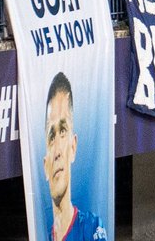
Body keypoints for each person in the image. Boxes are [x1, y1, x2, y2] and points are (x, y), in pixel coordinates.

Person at [42, 72, 106, 241]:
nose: (57, 151)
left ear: (73, 146)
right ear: (45, 165)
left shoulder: (92, 226)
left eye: (63, 131)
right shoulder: (42, 235)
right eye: (51, 137)